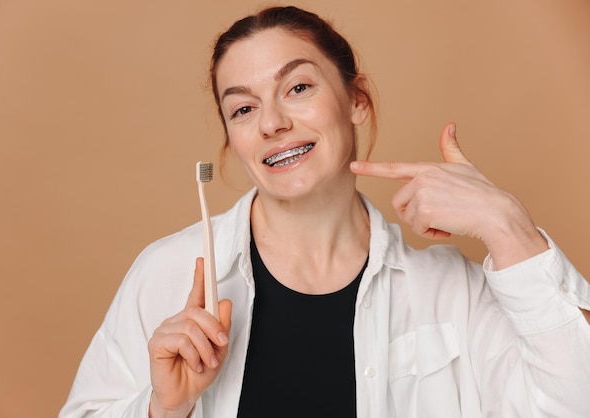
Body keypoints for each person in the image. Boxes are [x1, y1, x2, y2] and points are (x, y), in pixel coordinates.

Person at [60, 5, 590, 418]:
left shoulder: (452, 293)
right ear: (233, 140)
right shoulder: (165, 274)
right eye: (243, 108)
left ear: (356, 99)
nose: (272, 123)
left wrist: (507, 225)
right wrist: (164, 410)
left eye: (297, 87)